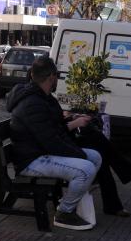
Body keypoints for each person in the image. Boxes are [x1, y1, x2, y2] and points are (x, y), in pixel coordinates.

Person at [6, 56, 102, 231]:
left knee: (95, 157)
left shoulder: (44, 98)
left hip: (42, 152)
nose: (57, 78)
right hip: (32, 160)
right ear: (51, 77)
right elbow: (51, 142)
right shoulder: (33, 103)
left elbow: (57, 131)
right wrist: (79, 154)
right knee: (86, 169)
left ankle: (74, 198)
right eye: (56, 75)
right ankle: (64, 212)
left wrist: (72, 125)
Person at [66, 117, 131, 216]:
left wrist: (69, 116)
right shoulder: (45, 103)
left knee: (100, 152)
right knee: (97, 140)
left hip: (65, 138)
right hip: (59, 146)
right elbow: (51, 131)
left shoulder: (48, 102)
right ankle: (129, 170)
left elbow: (56, 124)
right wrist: (74, 123)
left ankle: (113, 205)